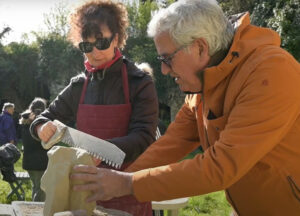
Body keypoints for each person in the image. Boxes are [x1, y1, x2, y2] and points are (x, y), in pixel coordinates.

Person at [69, 0, 300, 215]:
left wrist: (127, 184)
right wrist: (119, 179)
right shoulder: (203, 85)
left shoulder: (271, 72)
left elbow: (221, 167)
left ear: (200, 48)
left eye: (167, 59)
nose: (164, 71)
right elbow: (172, 144)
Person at [30, 0, 158, 215]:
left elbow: (144, 136)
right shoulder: (79, 85)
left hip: (129, 190)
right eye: (86, 46)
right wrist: (41, 127)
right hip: (85, 193)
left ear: (116, 38)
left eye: (101, 43)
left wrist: (103, 150)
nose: (94, 52)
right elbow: (42, 117)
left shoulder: (140, 82)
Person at [19, 97, 48, 201]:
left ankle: (33, 209)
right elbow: (45, 143)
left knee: (36, 187)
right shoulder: (40, 122)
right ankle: (37, 212)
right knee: (40, 190)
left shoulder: (25, 120)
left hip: (29, 160)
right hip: (39, 161)